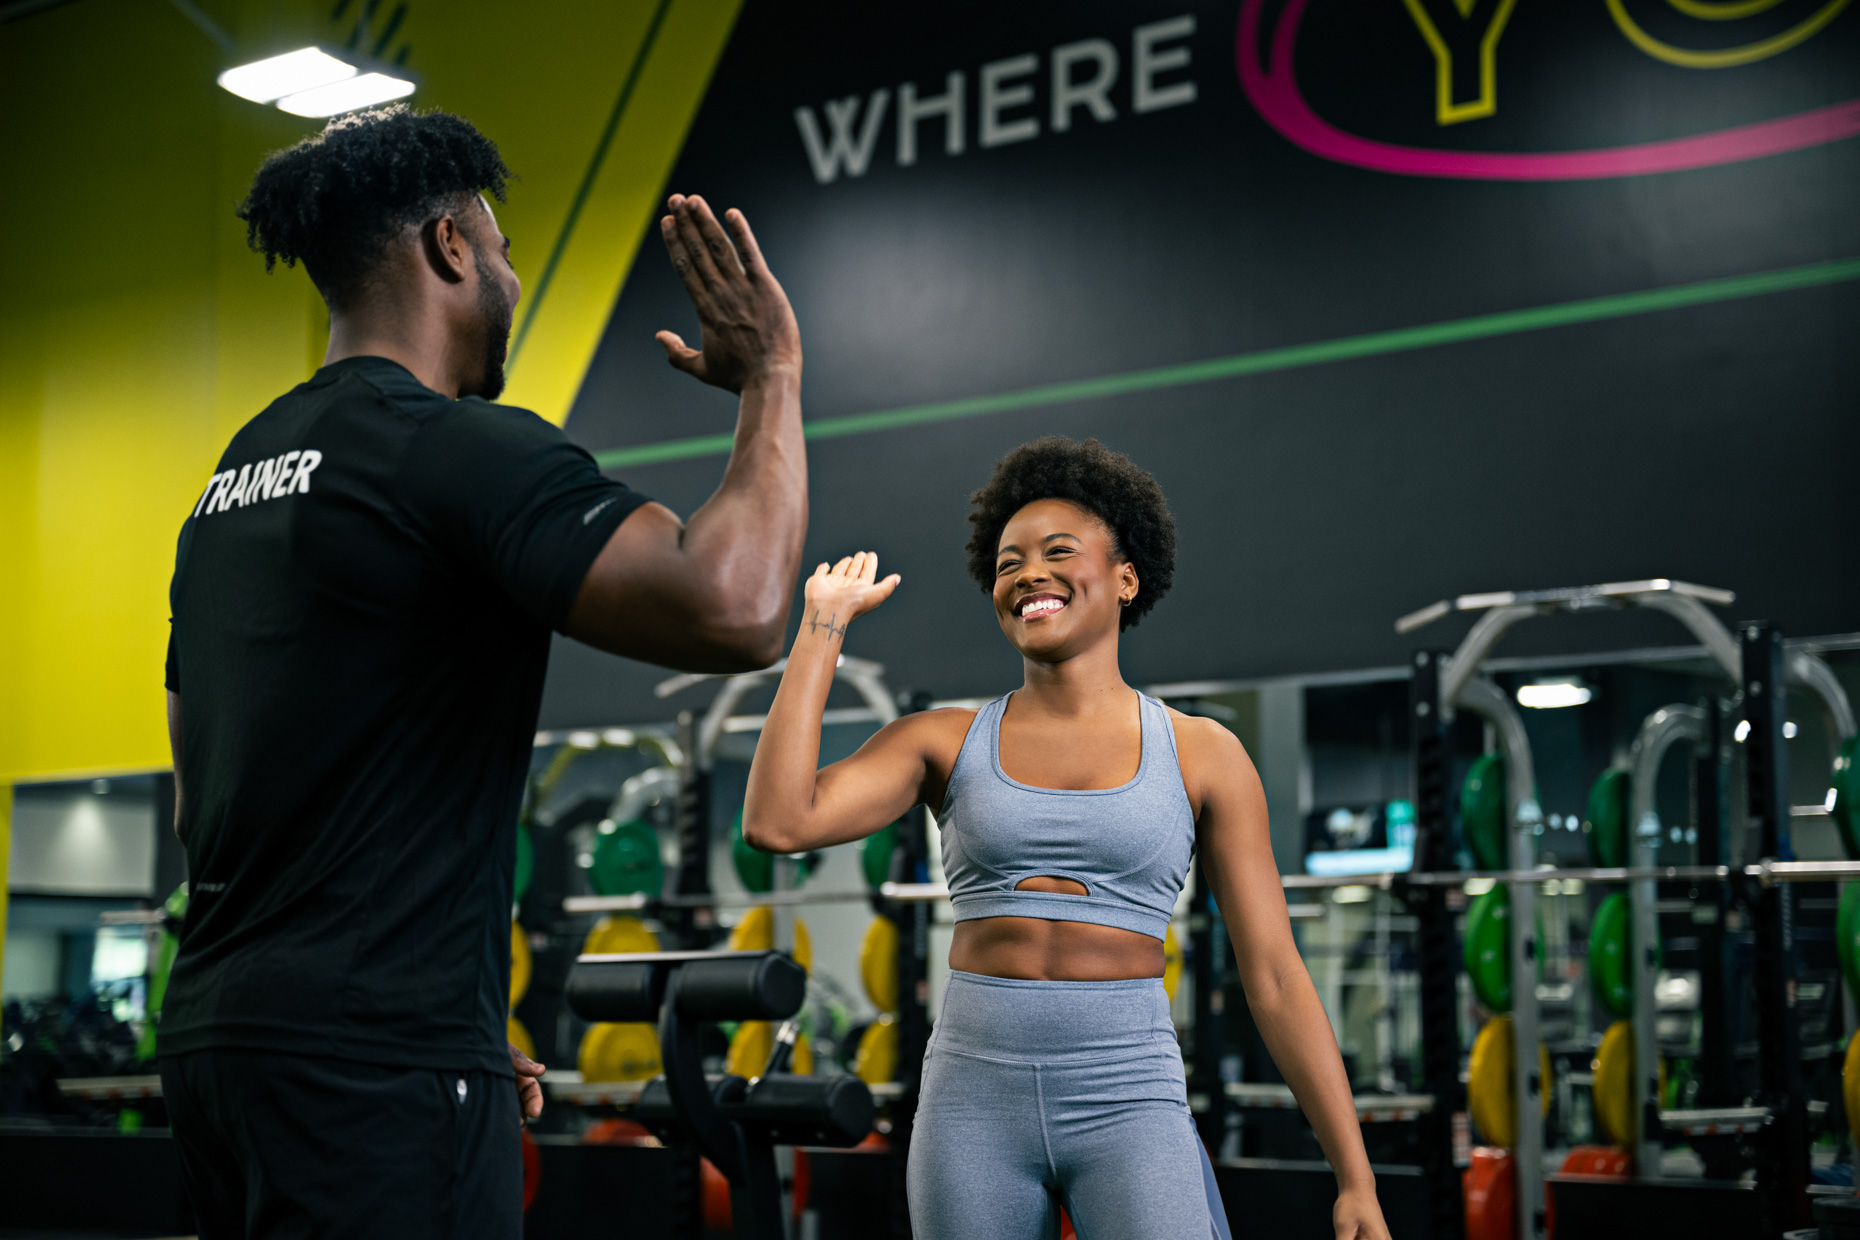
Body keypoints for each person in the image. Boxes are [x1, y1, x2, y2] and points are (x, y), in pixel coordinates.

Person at [160, 106, 807, 1239]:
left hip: (228, 1047)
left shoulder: (234, 482)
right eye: (502, 247)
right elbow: (740, 607)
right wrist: (775, 379)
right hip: (369, 1065)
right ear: (452, 245)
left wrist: (450, 1009)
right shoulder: (453, 445)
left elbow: (201, 788)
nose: (511, 274)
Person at [743, 437, 1392, 1239]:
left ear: (1126, 577)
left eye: (1058, 552)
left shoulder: (1203, 752)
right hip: (971, 1099)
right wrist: (821, 626)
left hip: (1129, 1092)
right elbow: (778, 822)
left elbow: (1275, 976)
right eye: (1008, 563)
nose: (1028, 575)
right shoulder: (940, 742)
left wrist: (1354, 1176)